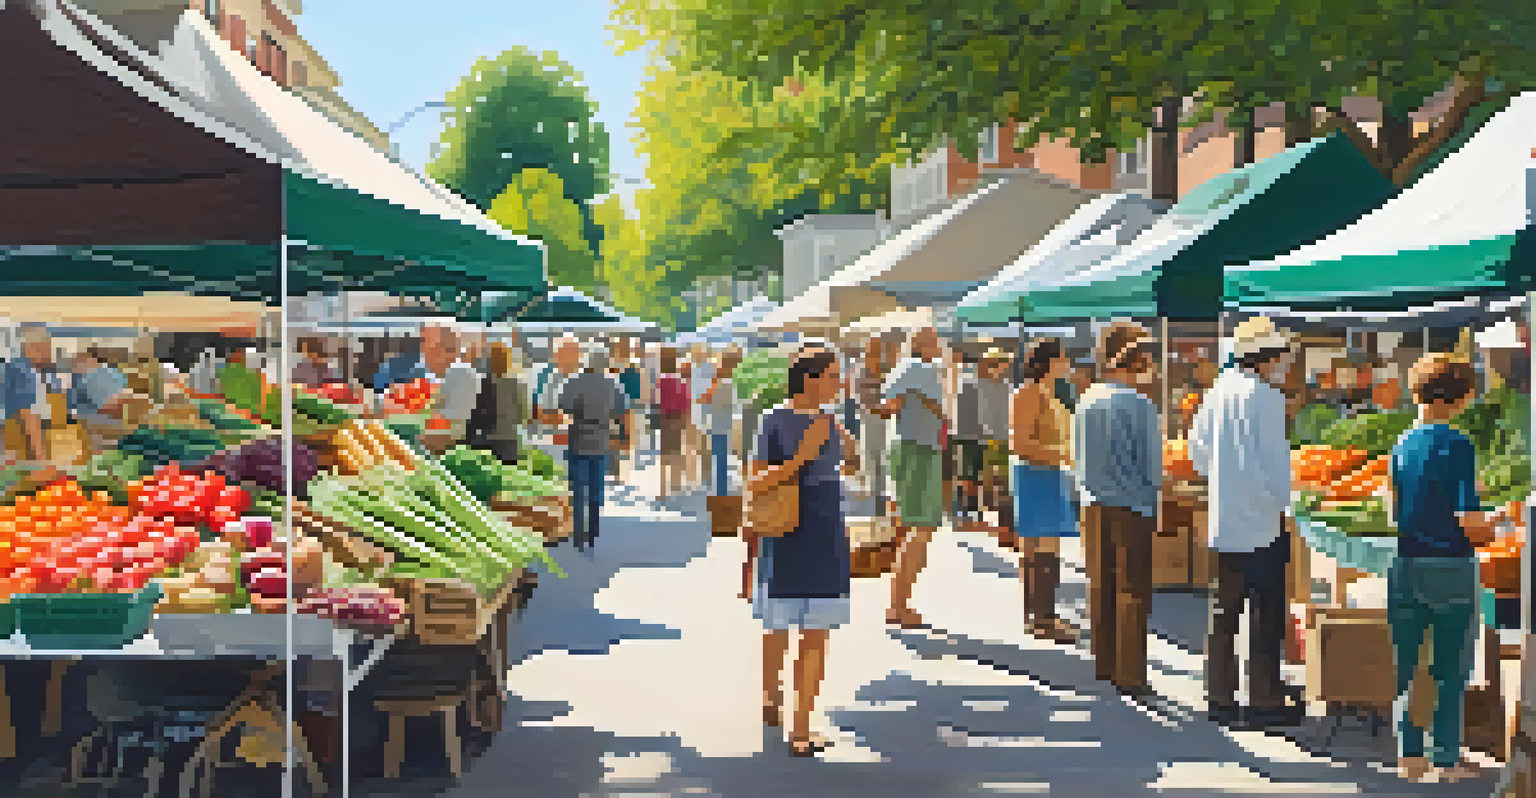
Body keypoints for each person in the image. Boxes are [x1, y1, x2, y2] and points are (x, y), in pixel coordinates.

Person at [1386, 353, 1502, 782]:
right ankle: (1447, 758)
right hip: (1450, 566)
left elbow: (1395, 512)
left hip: (1406, 564)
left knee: (1408, 666)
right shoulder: (1458, 445)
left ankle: (1409, 755)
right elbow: (1469, 521)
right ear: (1463, 397)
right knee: (1449, 669)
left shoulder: (1401, 444)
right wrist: (1493, 528)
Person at [743, 344, 859, 757]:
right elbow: (754, 482)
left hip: (826, 531)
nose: (838, 382)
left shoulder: (831, 419)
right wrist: (801, 458)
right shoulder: (774, 420)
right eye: (832, 375)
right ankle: (771, 696)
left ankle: (801, 725)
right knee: (779, 626)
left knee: (816, 632)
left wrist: (847, 446)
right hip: (788, 530)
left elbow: (852, 466)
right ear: (809, 378)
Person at [1189, 317, 1302, 728]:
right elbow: (1276, 465)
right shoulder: (1267, 398)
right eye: (1281, 358)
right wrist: (1289, 504)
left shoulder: (1217, 392)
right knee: (1266, 613)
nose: (1284, 365)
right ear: (1267, 357)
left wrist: (1226, 477)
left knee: (1224, 611)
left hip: (1225, 519)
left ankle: (1219, 696)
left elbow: (1197, 451)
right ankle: (1264, 699)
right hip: (1264, 521)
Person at [1075, 322, 1161, 694]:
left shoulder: (1086, 400)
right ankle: (1130, 674)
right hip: (1131, 506)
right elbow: (1153, 467)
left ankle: (1104, 664)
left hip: (1092, 504)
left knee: (1101, 584)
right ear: (1137, 360)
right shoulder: (1141, 405)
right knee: (1132, 590)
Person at [1010, 338, 1080, 644]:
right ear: (1049, 362)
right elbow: (1021, 444)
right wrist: (1065, 455)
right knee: (1043, 547)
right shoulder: (1030, 393)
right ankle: (1043, 619)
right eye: (1063, 358)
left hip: (1046, 474)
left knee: (1039, 547)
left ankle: (1039, 616)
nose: (1067, 364)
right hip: (1037, 474)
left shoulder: (1046, 393)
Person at [879, 327, 948, 629]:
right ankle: (898, 606)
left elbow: (888, 406)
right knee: (920, 529)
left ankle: (900, 603)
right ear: (923, 344)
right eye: (935, 341)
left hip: (910, 447)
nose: (941, 346)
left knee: (916, 528)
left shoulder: (905, 368)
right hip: (918, 448)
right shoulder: (920, 369)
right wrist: (938, 411)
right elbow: (891, 406)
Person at [557, 346, 629, 551]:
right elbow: (621, 411)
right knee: (597, 486)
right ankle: (593, 530)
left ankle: (579, 531)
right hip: (602, 437)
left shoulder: (574, 381)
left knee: (579, 487)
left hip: (578, 435)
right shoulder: (612, 384)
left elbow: (563, 406)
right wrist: (624, 434)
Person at [466, 343, 530, 466]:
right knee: (508, 477)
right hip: (509, 439)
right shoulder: (516, 383)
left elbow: (473, 411)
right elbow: (523, 414)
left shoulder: (482, 382)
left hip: (486, 438)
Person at [4, 328, 55, 461]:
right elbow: (27, 414)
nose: (51, 354)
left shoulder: (14, 367)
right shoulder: (23, 371)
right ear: (35, 348)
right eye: (48, 348)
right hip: (13, 435)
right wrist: (41, 459)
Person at [422, 326, 482, 440]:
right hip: (457, 434)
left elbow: (454, 417)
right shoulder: (457, 371)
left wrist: (429, 434)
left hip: (454, 438)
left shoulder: (459, 372)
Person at [976, 347, 1013, 529]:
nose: (1003, 366)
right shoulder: (981, 384)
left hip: (1005, 435)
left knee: (1004, 476)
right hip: (988, 436)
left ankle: (1002, 513)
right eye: (999, 362)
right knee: (988, 476)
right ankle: (987, 512)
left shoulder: (1007, 384)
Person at [69, 347, 130, 453]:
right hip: (117, 423)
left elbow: (107, 405)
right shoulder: (115, 373)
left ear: (92, 359)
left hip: (96, 425)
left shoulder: (89, 377)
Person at [701, 350, 741, 496]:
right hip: (724, 425)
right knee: (721, 460)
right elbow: (733, 405)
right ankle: (721, 490)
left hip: (717, 425)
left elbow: (706, 402)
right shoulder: (728, 385)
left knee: (719, 460)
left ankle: (720, 490)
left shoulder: (718, 385)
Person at [951, 353, 984, 527]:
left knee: (969, 475)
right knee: (968, 475)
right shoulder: (968, 383)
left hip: (968, 435)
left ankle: (967, 508)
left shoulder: (963, 383)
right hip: (968, 436)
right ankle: (966, 508)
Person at [655, 349, 690, 501]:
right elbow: (686, 403)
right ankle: (676, 488)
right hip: (678, 419)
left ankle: (663, 491)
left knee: (664, 457)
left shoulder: (659, 382)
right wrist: (685, 422)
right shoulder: (680, 382)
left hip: (664, 420)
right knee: (676, 454)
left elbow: (655, 402)